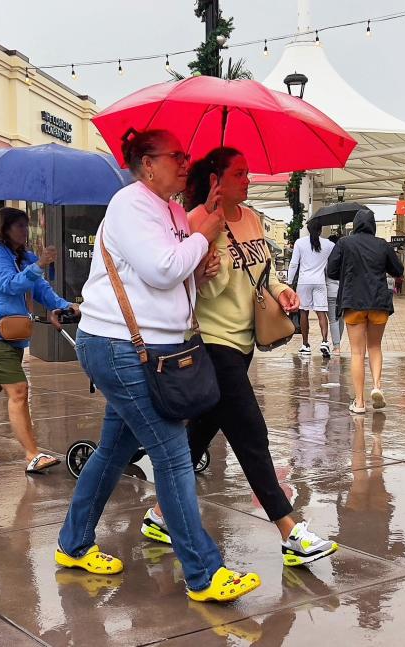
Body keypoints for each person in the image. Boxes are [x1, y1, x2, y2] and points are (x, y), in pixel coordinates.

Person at [56, 129, 261, 603]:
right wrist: (201, 239)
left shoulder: (168, 208)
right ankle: (205, 572)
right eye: (177, 156)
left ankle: (72, 543)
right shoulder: (130, 204)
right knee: (171, 456)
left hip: (151, 353)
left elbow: (173, 272)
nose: (185, 163)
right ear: (148, 164)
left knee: (111, 452)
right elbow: (162, 268)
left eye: (186, 156)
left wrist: (200, 258)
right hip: (120, 348)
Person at [139, 146, 339, 568]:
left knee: (200, 433)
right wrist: (197, 272)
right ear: (216, 180)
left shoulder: (249, 218)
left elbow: (262, 270)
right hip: (212, 342)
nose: (248, 181)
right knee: (250, 432)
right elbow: (173, 283)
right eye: (240, 174)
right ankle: (289, 532)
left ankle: (159, 514)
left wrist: (281, 289)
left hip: (245, 341)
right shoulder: (194, 222)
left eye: (247, 173)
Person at [0, 207, 76, 473]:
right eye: (19, 226)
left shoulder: (23, 256)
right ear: (4, 227)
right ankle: (32, 454)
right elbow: (9, 284)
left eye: (26, 226)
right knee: (19, 390)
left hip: (9, 333)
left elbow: (39, 288)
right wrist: (39, 266)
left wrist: (62, 304)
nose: (25, 231)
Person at [327, 208, 404, 414]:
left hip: (353, 301)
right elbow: (398, 270)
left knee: (357, 352)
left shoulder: (344, 243)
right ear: (373, 225)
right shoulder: (382, 244)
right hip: (378, 301)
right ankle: (377, 387)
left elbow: (331, 270)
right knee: (375, 347)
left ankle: (359, 402)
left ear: (355, 225)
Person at [289, 217, 335, 357]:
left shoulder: (300, 243)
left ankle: (305, 345)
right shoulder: (329, 244)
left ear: (308, 230)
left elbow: (294, 264)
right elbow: (332, 263)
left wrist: (290, 282)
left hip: (304, 282)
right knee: (321, 312)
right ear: (321, 230)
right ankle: (325, 342)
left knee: (303, 312)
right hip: (320, 281)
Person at [326, 233, 344, 354]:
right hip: (343, 292)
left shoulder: (325, 258)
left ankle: (336, 347)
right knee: (341, 319)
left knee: (333, 320)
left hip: (330, 291)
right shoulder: (345, 257)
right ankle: (338, 343)